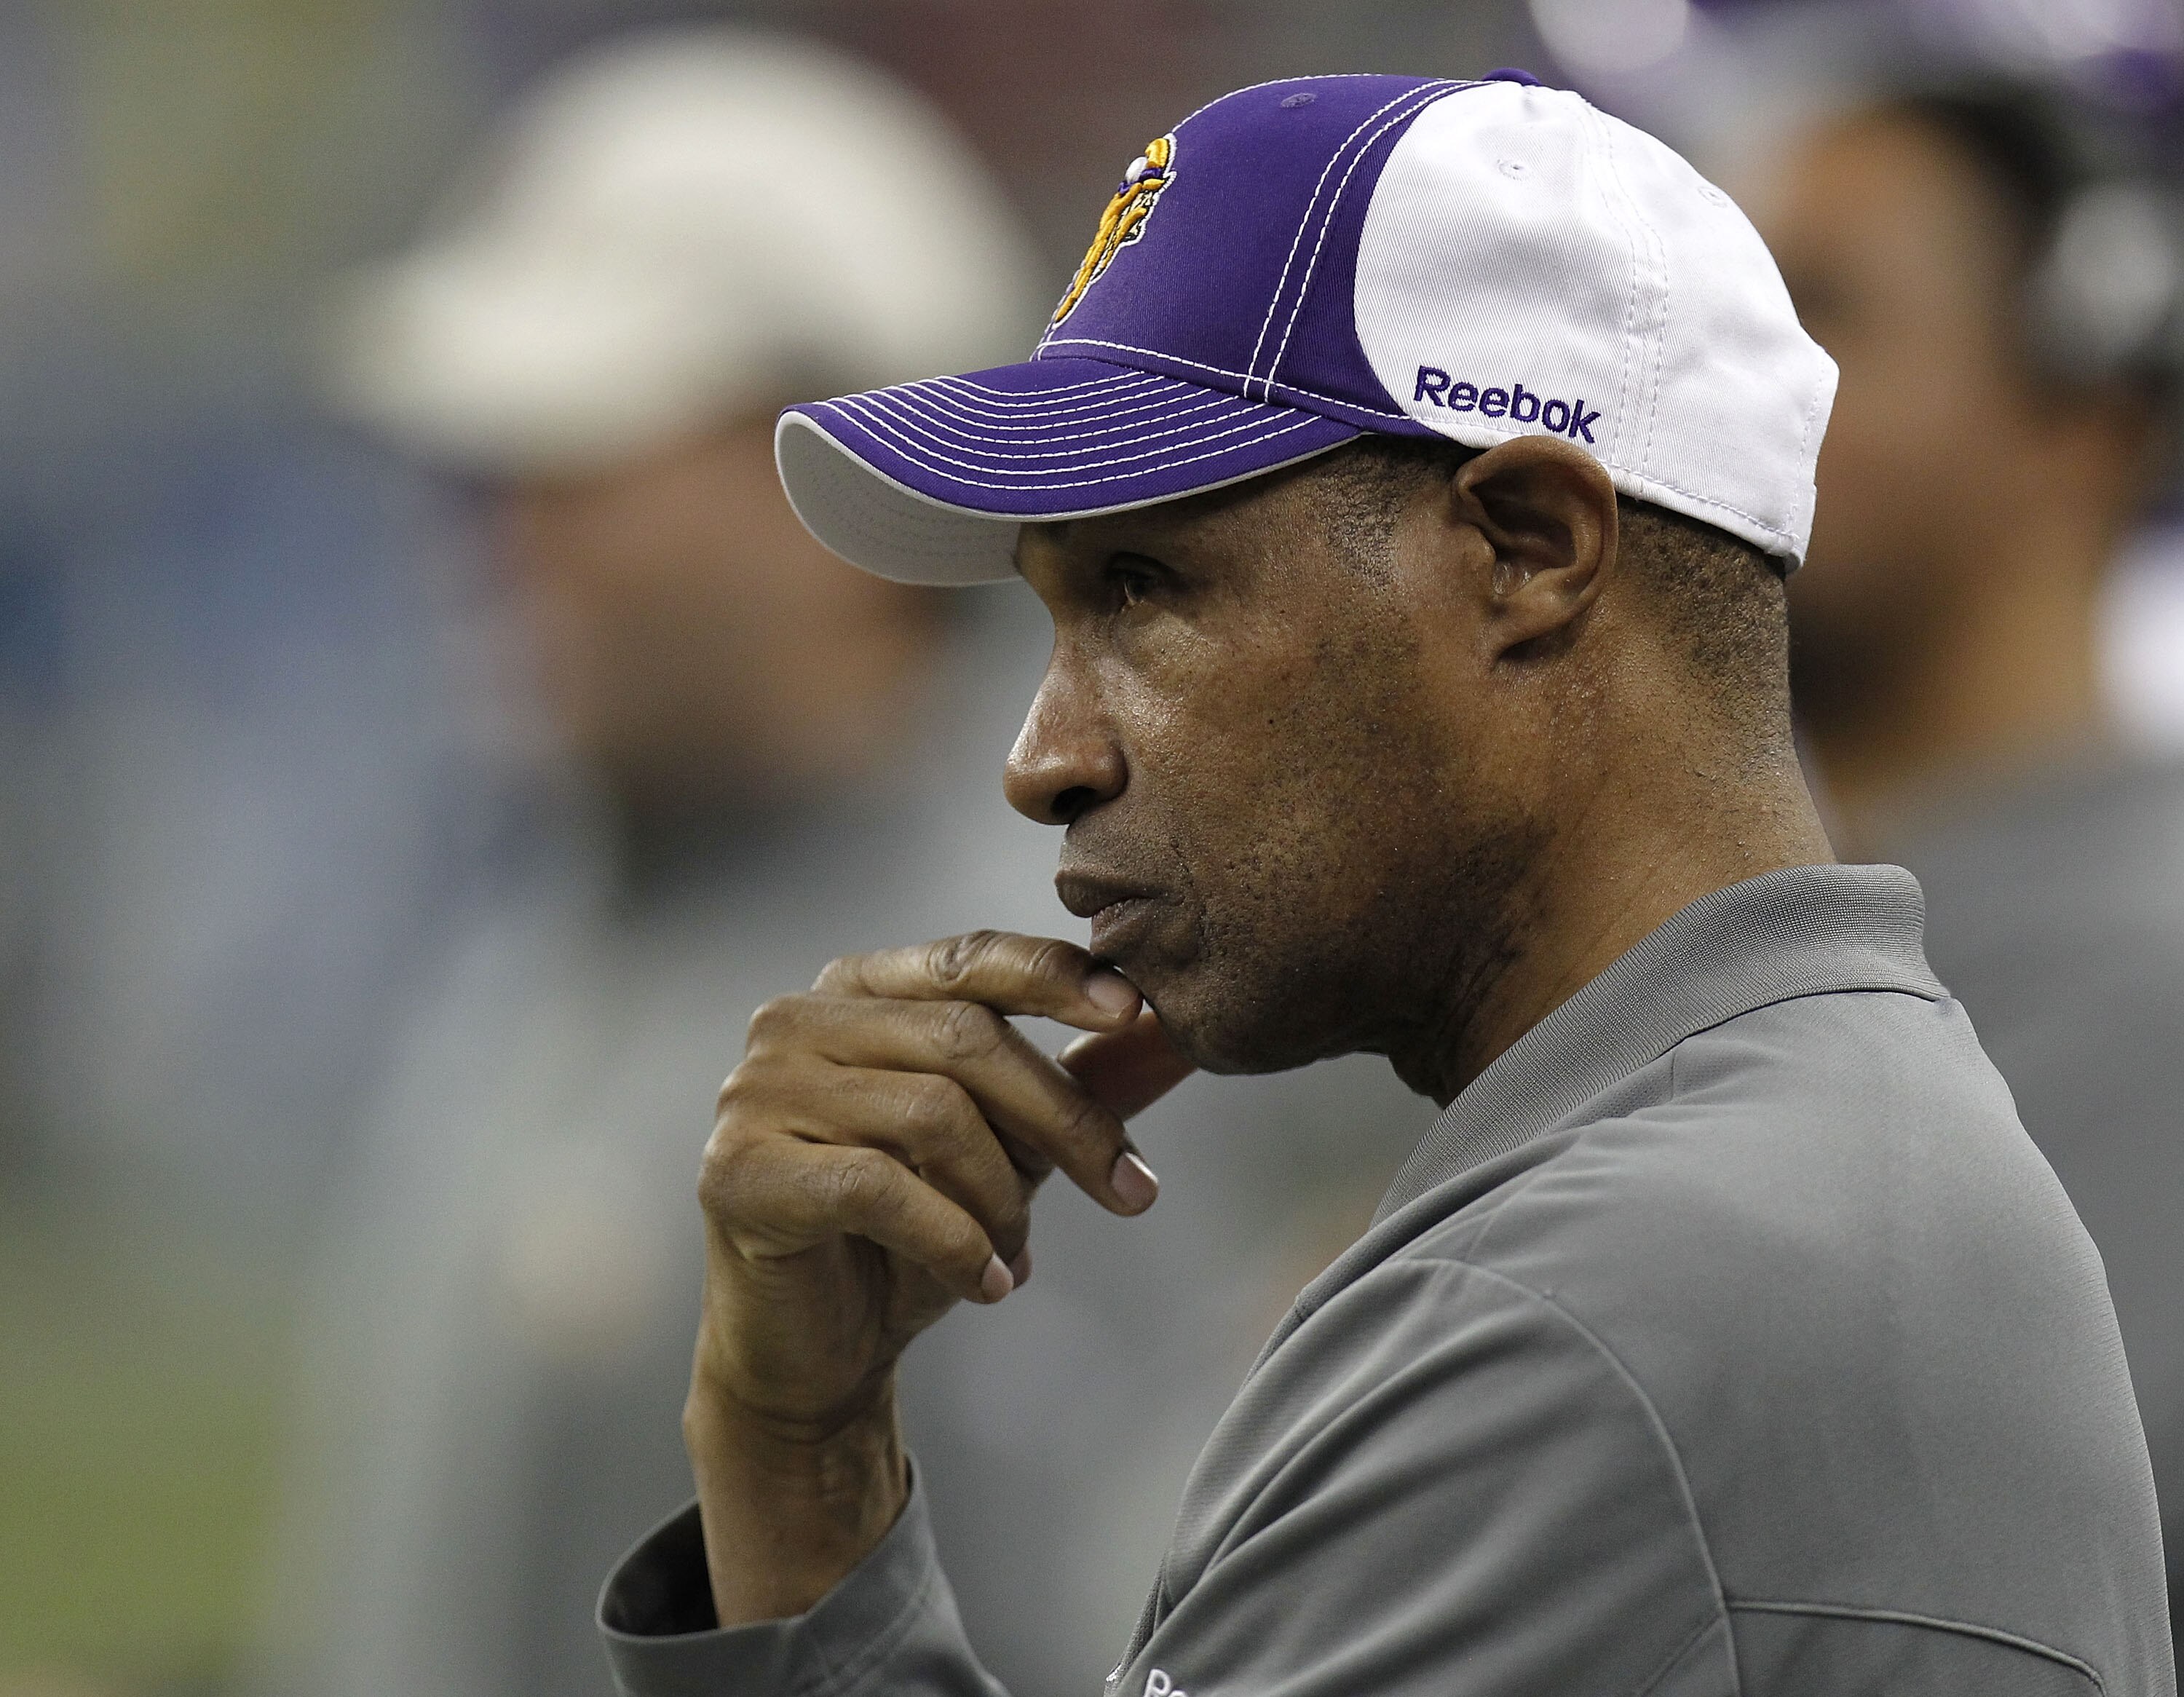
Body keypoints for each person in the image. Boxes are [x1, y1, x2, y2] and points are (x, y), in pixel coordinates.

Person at [594, 72, 2173, 1696]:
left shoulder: (1595, 1304)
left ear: (1530, 548)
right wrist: (806, 1458)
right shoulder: (1787, 1159)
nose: (1042, 754)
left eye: (1144, 588)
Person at [264, 28, 1435, 1697]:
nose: (503, 525)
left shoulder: (1022, 985)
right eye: (491, 466)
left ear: (841, 470)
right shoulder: (554, 941)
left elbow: (1084, 1645)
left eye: (581, 451)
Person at [1753, 81, 2184, 1644]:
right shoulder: (1691, 953)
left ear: (2085, 426)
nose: (1730, 382)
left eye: (1824, 309)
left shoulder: (2157, 985)